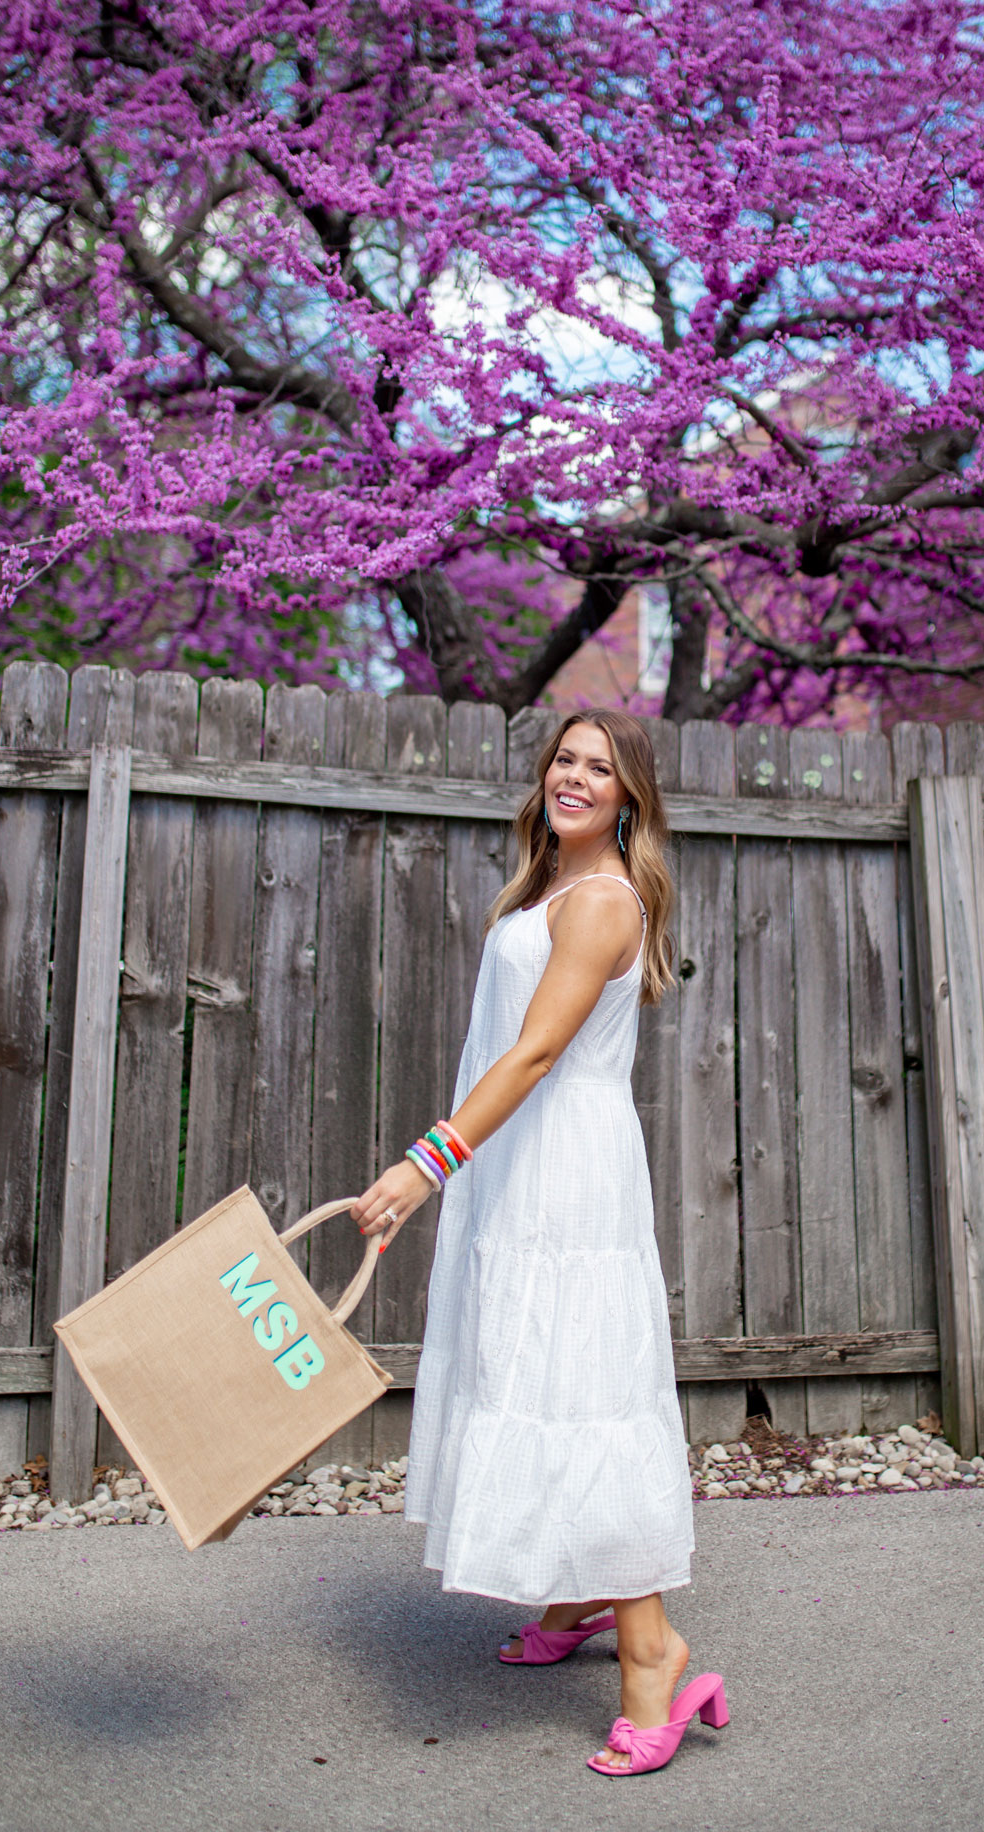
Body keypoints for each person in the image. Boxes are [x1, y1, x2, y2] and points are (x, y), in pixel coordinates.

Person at [351, 709, 728, 1776]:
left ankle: (655, 1651)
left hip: (567, 1168)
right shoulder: (547, 884)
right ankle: (575, 1595)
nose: (575, 774)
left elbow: (535, 1052)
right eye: (565, 757)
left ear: (628, 797)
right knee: (529, 1363)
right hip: (523, 1161)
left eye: (599, 767)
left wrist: (424, 1164)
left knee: (586, 1388)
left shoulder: (603, 900)